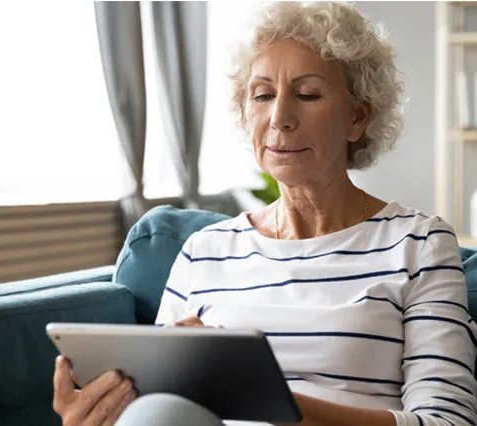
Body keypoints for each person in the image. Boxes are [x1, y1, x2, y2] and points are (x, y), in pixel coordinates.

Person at [52, 2, 477, 425]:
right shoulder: (205, 251)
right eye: (262, 95)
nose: (280, 118)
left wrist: (267, 396)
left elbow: (448, 422)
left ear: (357, 117)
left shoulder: (418, 243)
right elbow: (162, 404)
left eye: (307, 94)